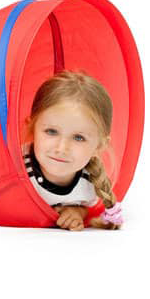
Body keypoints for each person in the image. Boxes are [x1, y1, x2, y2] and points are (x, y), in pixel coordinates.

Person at [23, 70, 124, 231]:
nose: (61, 148)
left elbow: (85, 206)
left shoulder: (89, 186)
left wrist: (77, 212)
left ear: (99, 146)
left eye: (78, 138)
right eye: (51, 131)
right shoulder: (16, 166)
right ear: (32, 128)